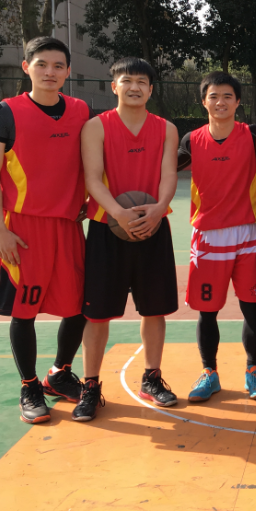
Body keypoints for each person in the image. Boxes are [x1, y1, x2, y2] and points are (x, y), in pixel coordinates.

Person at [0, 37, 88, 423]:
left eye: (58, 66)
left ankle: (59, 373)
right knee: (23, 310)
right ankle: (29, 385)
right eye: (41, 64)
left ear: (68, 71)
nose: (50, 72)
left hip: (69, 225)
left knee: (79, 306)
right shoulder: (4, 113)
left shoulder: (81, 110)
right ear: (26, 67)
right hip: (22, 228)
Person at [75, 57, 179, 421]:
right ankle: (90, 385)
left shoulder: (166, 128)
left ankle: (152, 377)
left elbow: (169, 175)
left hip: (153, 226)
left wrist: (159, 208)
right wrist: (118, 213)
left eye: (142, 82)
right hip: (108, 228)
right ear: (114, 86)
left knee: (155, 309)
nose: (134, 87)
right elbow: (92, 178)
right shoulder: (96, 127)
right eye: (127, 80)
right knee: (97, 314)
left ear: (151, 89)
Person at [177, 72, 256, 402]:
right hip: (208, 237)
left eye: (228, 96)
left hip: (246, 233)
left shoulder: (253, 136)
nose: (221, 102)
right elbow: (159, 168)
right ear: (204, 101)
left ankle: (253, 370)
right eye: (214, 96)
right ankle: (209, 372)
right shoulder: (191, 141)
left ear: (238, 101)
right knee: (207, 311)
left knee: (251, 307)